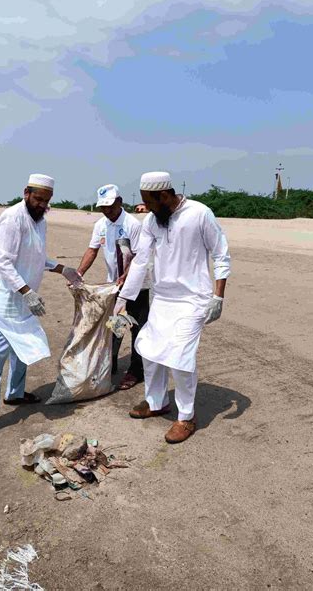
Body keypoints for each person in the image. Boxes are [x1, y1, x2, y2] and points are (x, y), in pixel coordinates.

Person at [114, 171, 231, 444]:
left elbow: (221, 254)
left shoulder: (199, 214)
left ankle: (186, 417)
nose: (147, 209)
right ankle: (156, 402)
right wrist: (122, 301)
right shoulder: (153, 221)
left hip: (193, 300)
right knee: (150, 350)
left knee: (180, 356)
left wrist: (218, 297)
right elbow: (141, 260)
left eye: (150, 202)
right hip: (163, 298)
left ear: (164, 196)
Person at [0, 174, 83, 446]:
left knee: (23, 351)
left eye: (46, 201)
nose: (42, 205)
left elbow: (36, 257)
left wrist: (62, 269)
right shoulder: (12, 218)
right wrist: (27, 291)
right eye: (38, 199)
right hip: (2, 301)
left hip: (22, 301)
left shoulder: (40, 220)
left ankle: (15, 393)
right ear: (26, 193)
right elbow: (3, 262)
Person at [77, 184, 150, 390]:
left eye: (110, 206)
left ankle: (137, 371)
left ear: (120, 202)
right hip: (115, 286)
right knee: (115, 327)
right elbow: (92, 250)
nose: (106, 211)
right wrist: (79, 273)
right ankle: (111, 363)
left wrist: (126, 277)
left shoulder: (132, 225)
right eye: (103, 207)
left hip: (137, 287)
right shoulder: (101, 225)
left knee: (138, 328)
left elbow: (138, 258)